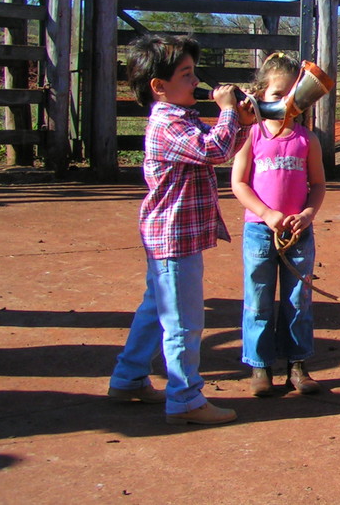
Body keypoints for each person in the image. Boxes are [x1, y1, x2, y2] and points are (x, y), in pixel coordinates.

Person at [108, 33, 255, 425]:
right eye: (186, 74)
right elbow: (214, 151)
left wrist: (239, 123)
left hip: (171, 234)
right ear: (159, 87)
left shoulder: (180, 120)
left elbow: (213, 148)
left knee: (155, 308)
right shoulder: (168, 125)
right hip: (173, 239)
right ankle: (186, 400)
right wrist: (227, 112)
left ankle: (128, 378)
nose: (196, 81)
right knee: (184, 323)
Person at [231, 53, 326, 397]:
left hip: (298, 233)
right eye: (276, 95)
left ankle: (298, 364)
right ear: (258, 97)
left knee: (297, 299)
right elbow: (239, 183)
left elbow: (317, 185)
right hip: (260, 230)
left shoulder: (307, 140)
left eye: (293, 97)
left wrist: (306, 215)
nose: (285, 104)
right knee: (258, 299)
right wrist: (267, 213)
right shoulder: (250, 135)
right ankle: (259, 367)